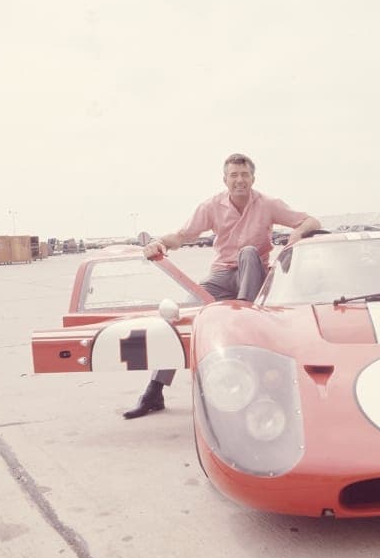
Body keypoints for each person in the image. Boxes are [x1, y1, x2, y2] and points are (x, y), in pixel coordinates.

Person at [123, 152, 321, 419]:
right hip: (221, 275)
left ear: (253, 178)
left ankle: (243, 335)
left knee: (249, 253)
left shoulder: (268, 204)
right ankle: (154, 391)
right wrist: (159, 242)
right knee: (179, 317)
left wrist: (295, 235)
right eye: (234, 175)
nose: (239, 180)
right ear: (225, 179)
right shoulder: (211, 206)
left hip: (253, 275)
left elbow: (311, 221)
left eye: (244, 175)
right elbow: (182, 236)